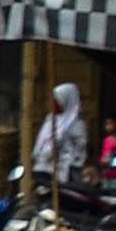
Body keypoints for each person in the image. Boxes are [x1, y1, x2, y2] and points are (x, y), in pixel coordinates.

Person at [30, 78, 92, 208]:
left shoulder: (75, 123)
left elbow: (80, 149)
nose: (51, 103)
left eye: (55, 100)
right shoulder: (50, 119)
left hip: (61, 173)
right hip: (42, 168)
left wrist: (69, 163)